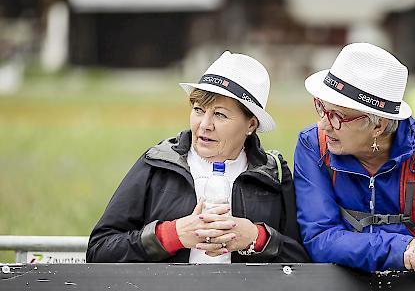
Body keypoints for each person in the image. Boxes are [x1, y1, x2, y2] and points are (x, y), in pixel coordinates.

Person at [88, 51, 309, 264]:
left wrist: (256, 238)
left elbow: (302, 260)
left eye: (220, 114)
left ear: (251, 124)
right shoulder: (158, 164)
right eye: (198, 110)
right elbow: (99, 250)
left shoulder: (273, 175)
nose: (204, 125)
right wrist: (172, 235)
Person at [293, 43, 415, 275]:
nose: (325, 124)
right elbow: (319, 239)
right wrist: (403, 249)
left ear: (379, 125)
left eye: (338, 116)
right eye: (322, 108)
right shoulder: (313, 145)